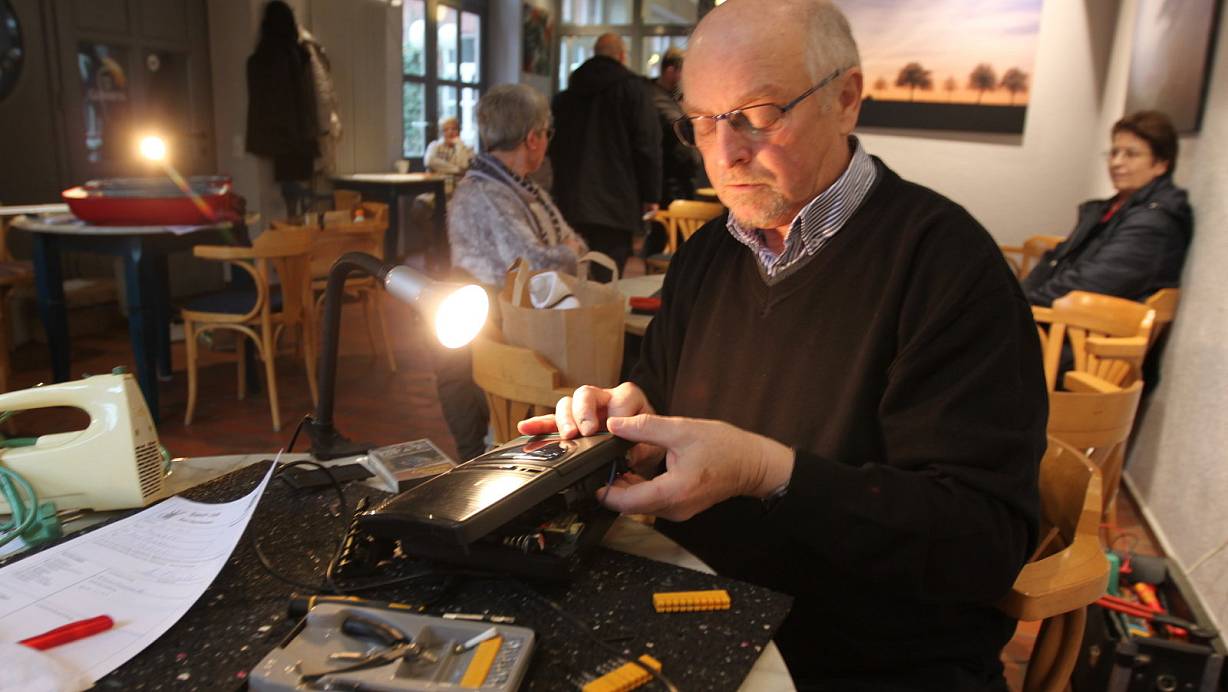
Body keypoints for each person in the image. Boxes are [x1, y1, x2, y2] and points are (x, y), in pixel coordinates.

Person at [519, 1, 1047, 688]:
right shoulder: (710, 252)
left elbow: (980, 546)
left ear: (846, 99)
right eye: (701, 122)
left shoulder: (948, 268)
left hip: (863, 657)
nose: (725, 154)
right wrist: (631, 418)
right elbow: (663, 386)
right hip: (700, 606)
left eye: (758, 114)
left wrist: (770, 472)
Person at [437, 84, 588, 461]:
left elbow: (571, 247)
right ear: (533, 138)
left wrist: (566, 252)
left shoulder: (517, 187)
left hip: (514, 310)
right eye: (547, 133)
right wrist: (566, 252)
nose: (547, 141)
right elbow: (538, 262)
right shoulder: (483, 192)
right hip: (487, 314)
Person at [1022, 110, 1192, 306]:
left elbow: (1090, 282)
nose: (1116, 163)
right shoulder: (1109, 209)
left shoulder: (1154, 222)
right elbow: (1055, 260)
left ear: (1161, 165)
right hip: (1052, 312)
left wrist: (1020, 306)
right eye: (1114, 153)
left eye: (1131, 154)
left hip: (1080, 321)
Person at [550, 34, 662, 275]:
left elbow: (554, 144)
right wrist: (650, 194)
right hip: (616, 201)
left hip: (570, 199)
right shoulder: (634, 90)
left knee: (571, 275)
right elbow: (646, 145)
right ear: (621, 56)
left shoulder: (569, 93)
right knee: (607, 275)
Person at [245, 1, 319, 218]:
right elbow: (302, 99)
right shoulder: (293, 55)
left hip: (281, 134)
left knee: (290, 189)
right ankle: (295, 221)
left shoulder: (265, 57)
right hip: (294, 134)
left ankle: (293, 220)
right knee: (295, 188)